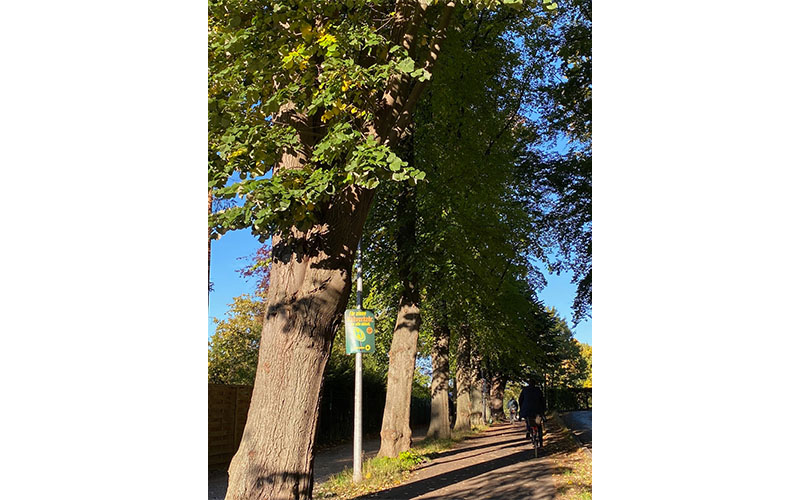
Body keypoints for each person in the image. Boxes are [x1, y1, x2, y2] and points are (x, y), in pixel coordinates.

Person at [518, 379, 546, 444]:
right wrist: (543, 410)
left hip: (527, 410)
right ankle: (540, 440)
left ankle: (528, 430)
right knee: (538, 425)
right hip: (537, 411)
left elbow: (520, 400)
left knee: (528, 420)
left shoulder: (525, 390)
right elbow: (542, 400)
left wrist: (522, 408)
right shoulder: (538, 390)